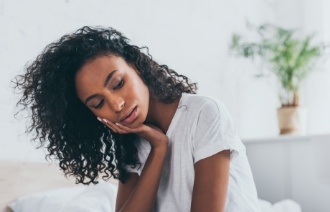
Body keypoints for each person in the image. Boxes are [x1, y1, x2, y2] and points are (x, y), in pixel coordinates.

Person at [14, 26, 261, 212]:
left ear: (137, 67)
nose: (117, 104)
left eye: (118, 83)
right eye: (98, 103)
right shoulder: (130, 143)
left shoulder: (204, 114)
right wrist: (159, 148)